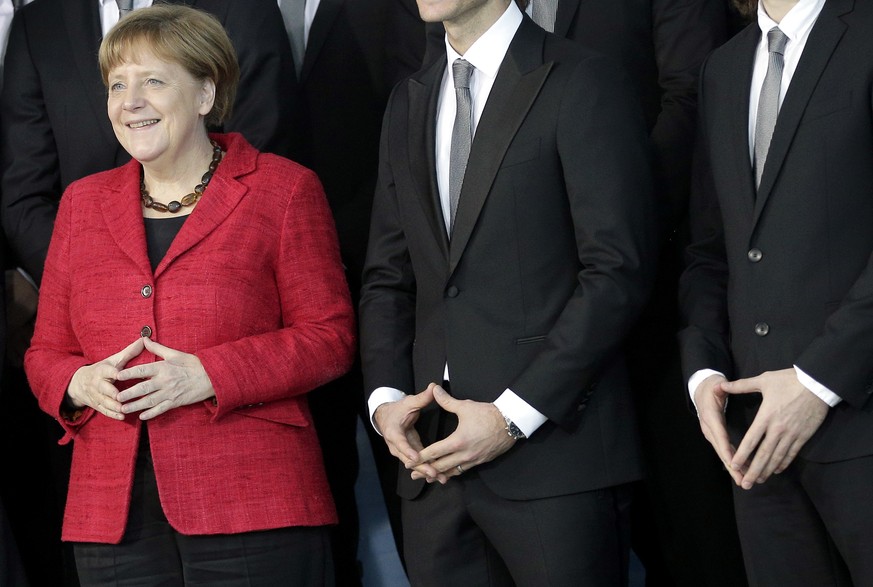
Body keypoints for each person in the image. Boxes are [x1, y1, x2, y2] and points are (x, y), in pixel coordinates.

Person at [22, 5, 355, 585]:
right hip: (110, 519)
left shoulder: (283, 188)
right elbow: (45, 352)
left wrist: (211, 374)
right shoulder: (81, 204)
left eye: (153, 80)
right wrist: (76, 383)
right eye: (117, 84)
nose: (131, 101)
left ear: (206, 92)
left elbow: (330, 336)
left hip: (255, 506)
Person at [424, 2, 746, 584]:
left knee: (691, 530)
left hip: (654, 275)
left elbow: (691, 92)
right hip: (508, 323)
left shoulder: (588, 79)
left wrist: (608, 203)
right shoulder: (439, 61)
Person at [359, 0, 657, 584]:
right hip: (431, 467)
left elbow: (617, 269)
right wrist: (386, 402)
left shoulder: (582, 78)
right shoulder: (408, 99)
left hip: (555, 464)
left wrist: (513, 416)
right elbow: (389, 275)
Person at [680, 0, 873, 585]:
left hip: (861, 418)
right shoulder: (724, 67)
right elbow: (710, 248)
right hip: (753, 438)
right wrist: (703, 373)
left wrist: (817, 381)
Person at [278, 0, 425, 580]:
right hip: (269, 285)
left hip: (382, 258)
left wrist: (331, 238)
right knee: (316, 470)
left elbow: (417, 105)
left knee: (410, 459)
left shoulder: (391, 7)